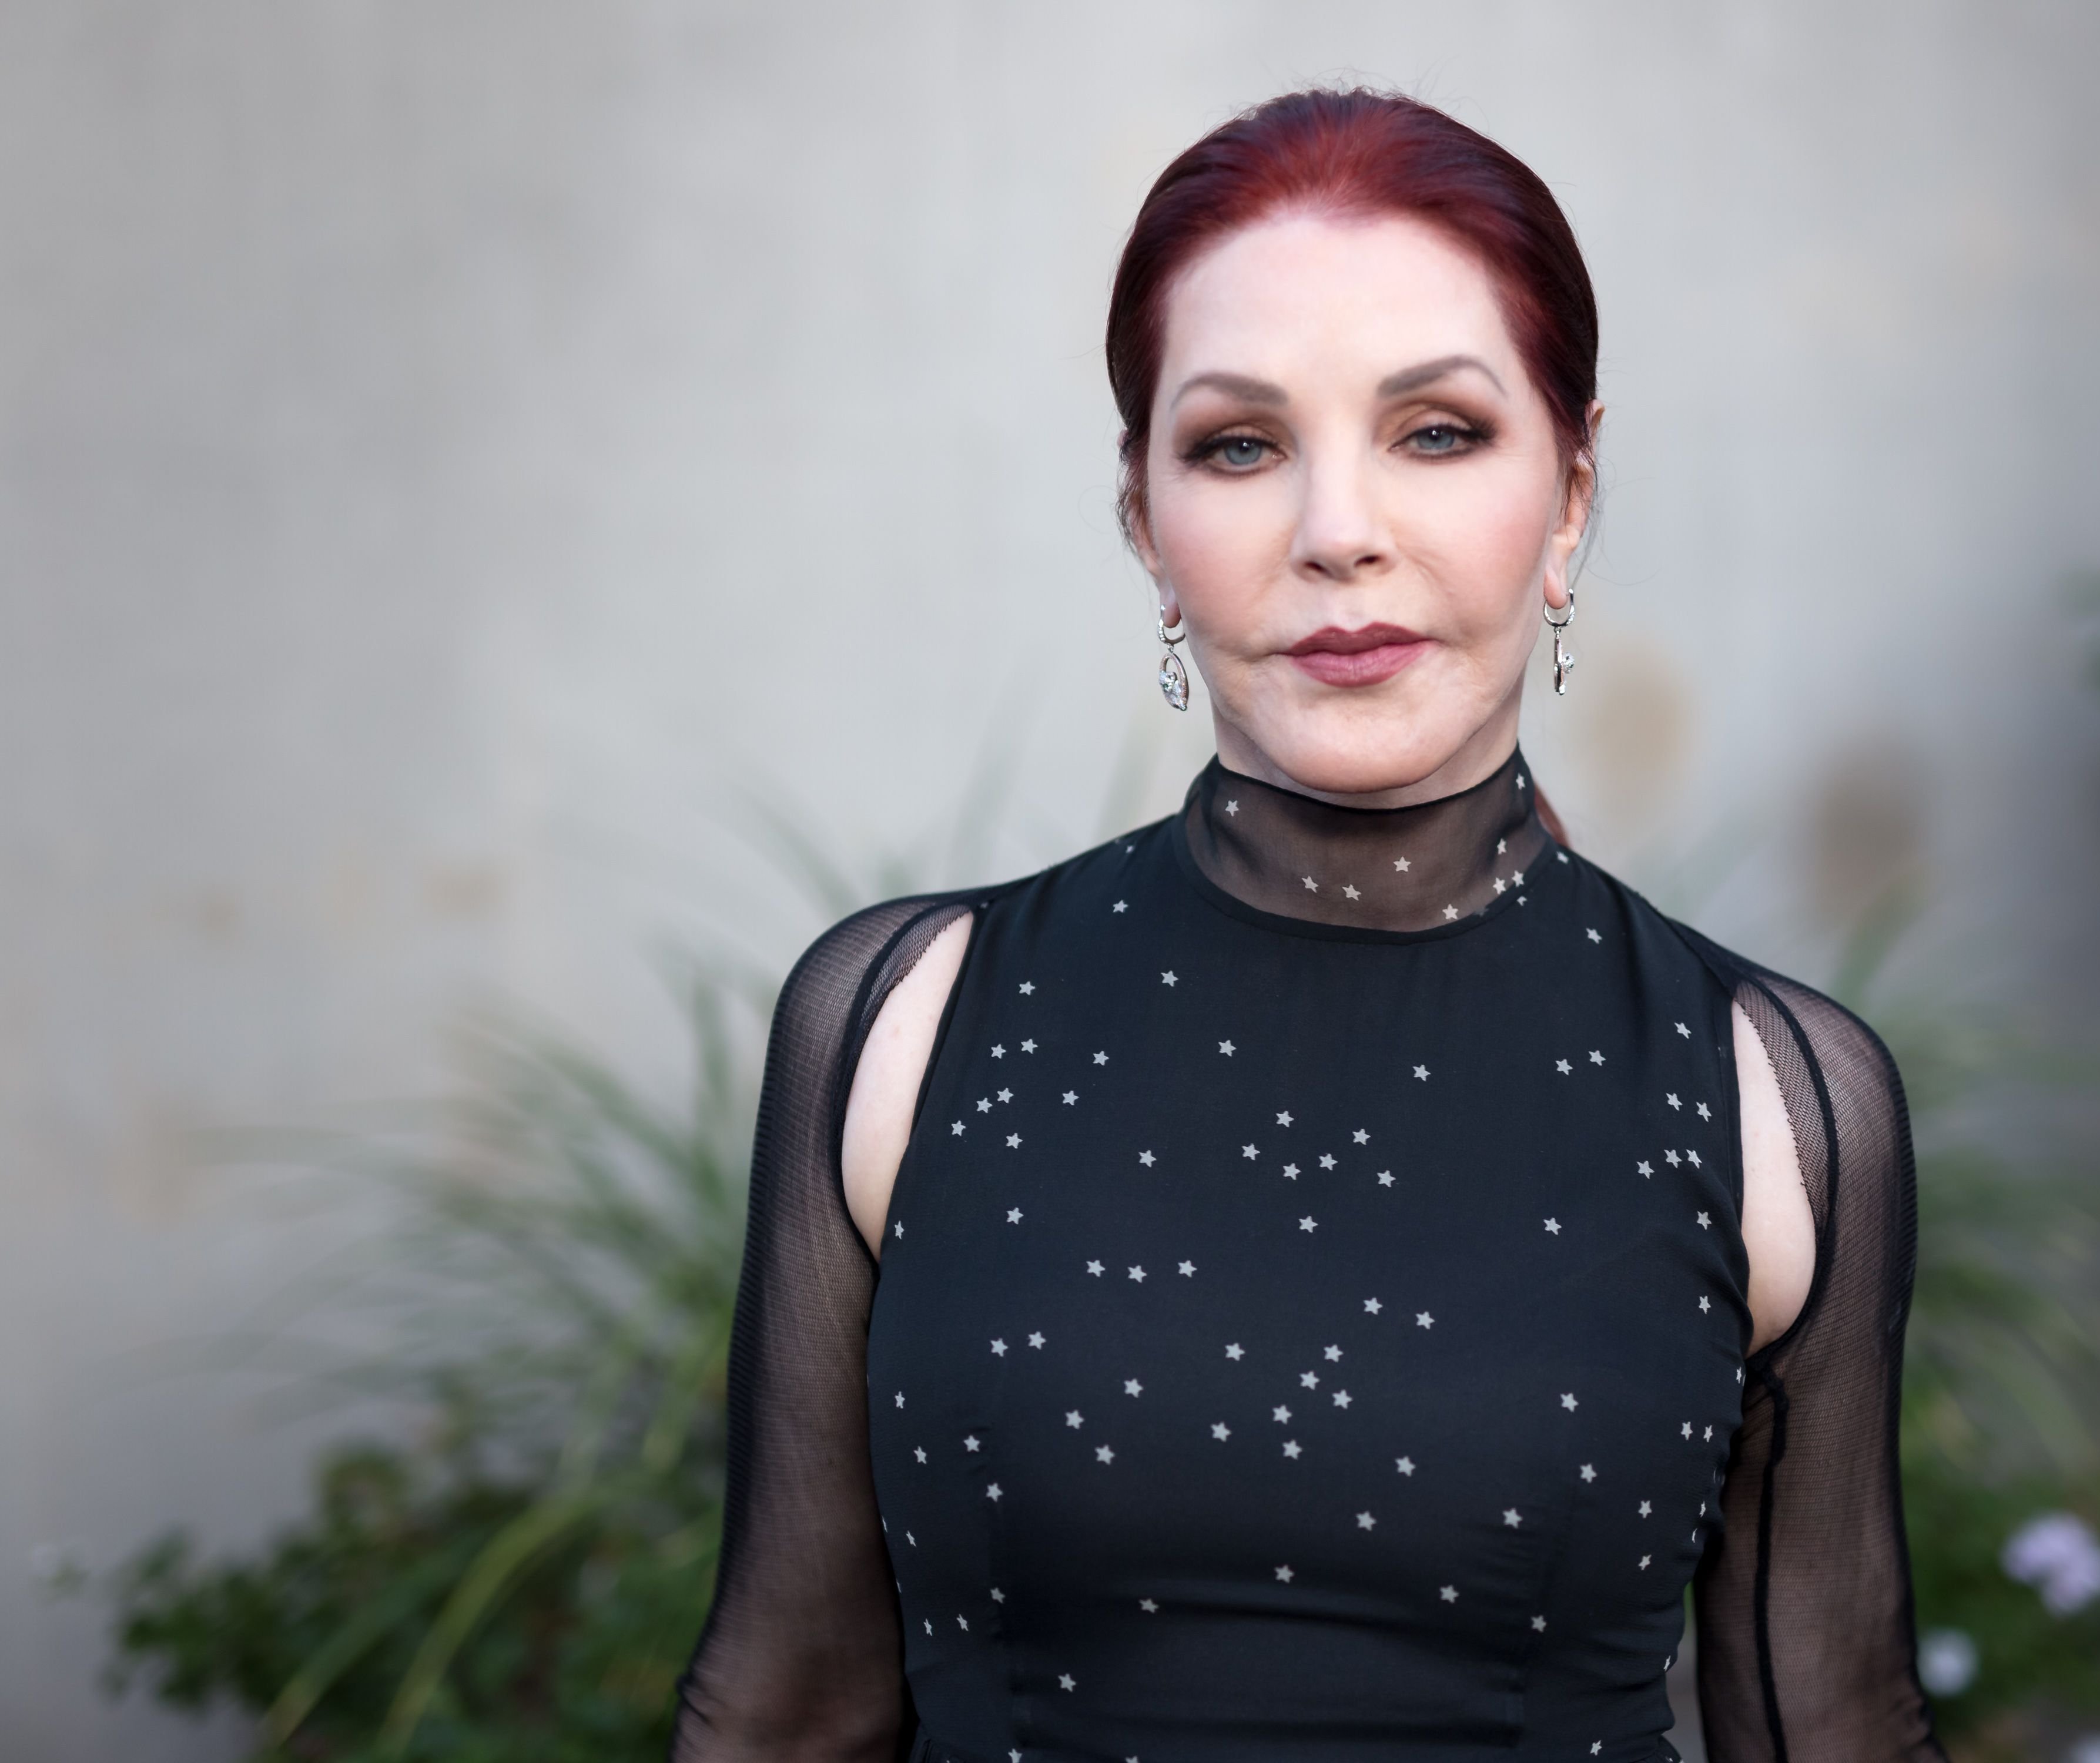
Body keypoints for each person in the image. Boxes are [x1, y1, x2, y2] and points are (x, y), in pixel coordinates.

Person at [673, 88, 1941, 1763]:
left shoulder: (1775, 1099)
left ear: (1567, 494)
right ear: (1143, 518)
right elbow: (783, 1711)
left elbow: (1832, 1725)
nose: (1337, 532)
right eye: (1238, 445)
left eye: (1434, 431)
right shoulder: (906, 1021)